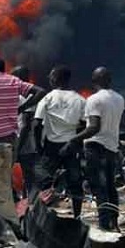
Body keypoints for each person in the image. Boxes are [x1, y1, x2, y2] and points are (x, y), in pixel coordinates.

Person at [59, 67, 125, 231]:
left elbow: (94, 127)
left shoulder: (93, 100)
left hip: (95, 147)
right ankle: (114, 222)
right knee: (110, 186)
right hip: (112, 147)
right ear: (110, 80)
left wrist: (73, 140)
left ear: (94, 81)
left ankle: (104, 224)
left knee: (98, 187)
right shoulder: (120, 99)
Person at [33, 66, 86, 218]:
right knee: (75, 183)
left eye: (51, 76)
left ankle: (42, 214)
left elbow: (36, 124)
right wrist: (77, 143)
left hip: (51, 146)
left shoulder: (47, 98)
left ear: (56, 79)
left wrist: (39, 146)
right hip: (71, 147)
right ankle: (77, 216)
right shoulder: (80, 100)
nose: (49, 78)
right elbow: (84, 125)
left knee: (41, 178)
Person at [10, 65, 39, 198]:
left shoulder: (27, 96)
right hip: (20, 143)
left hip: (24, 145)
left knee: (29, 179)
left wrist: (18, 147)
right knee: (24, 178)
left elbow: (26, 125)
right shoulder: (17, 94)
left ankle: (31, 207)